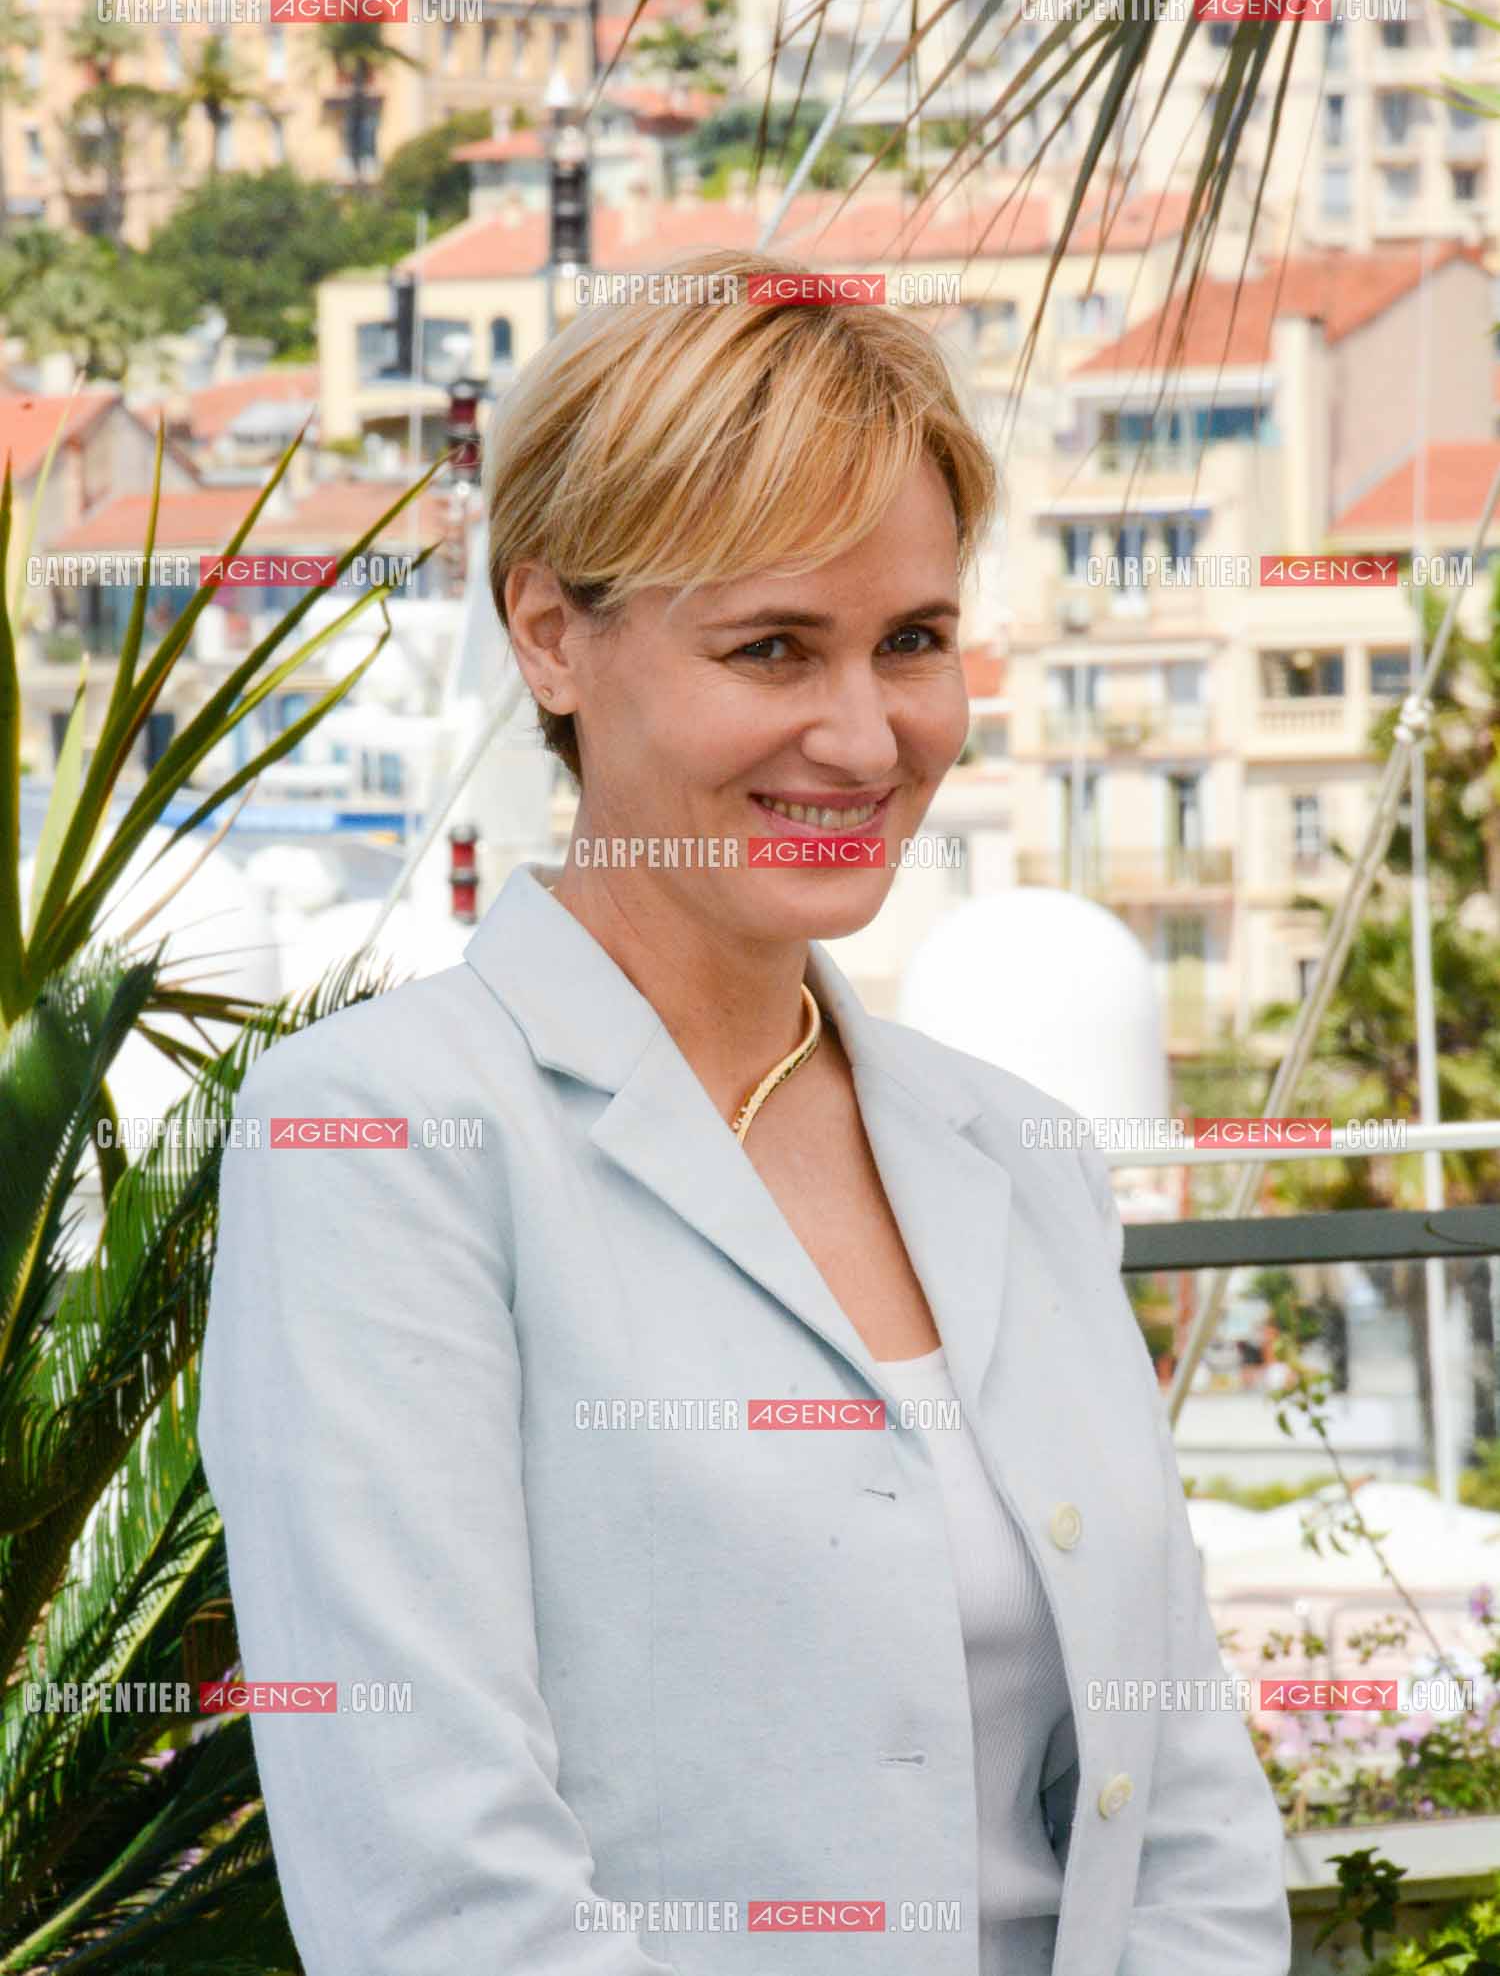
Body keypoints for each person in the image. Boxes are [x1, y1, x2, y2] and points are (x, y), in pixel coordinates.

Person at [198, 249, 1291, 1976]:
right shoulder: (383, 1144)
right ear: (549, 633)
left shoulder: (1022, 1153)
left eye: (912, 641)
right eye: (773, 645)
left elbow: (1189, 1820)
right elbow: (444, 1897)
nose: (863, 737)